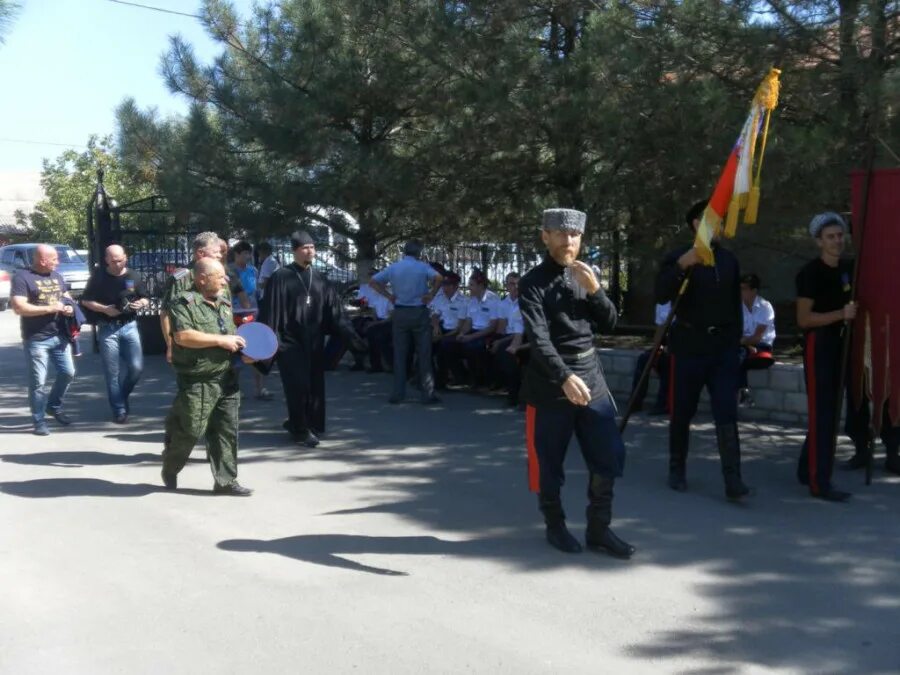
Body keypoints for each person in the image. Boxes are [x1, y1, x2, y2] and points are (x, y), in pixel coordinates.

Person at [519, 208, 634, 559]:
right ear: (545, 236)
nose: (568, 241)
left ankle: (599, 529)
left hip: (592, 380)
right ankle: (555, 526)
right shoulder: (532, 283)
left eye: (575, 235)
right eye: (560, 233)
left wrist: (596, 291)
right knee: (550, 463)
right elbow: (538, 339)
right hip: (552, 384)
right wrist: (564, 377)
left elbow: (611, 324)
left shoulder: (585, 275)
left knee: (608, 457)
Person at [656, 200, 752, 501]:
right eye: (714, 219)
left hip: (722, 350)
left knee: (727, 412)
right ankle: (677, 467)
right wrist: (683, 265)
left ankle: (733, 480)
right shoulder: (678, 257)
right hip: (689, 348)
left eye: (721, 219)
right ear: (696, 224)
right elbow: (661, 294)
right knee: (682, 411)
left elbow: (735, 308)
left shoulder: (728, 260)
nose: (720, 224)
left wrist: (735, 342)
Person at [259, 231, 363, 447]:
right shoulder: (281, 277)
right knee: (297, 386)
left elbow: (336, 313)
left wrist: (354, 339)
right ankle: (300, 430)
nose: (310, 251)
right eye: (305, 247)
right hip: (289, 342)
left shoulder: (320, 279)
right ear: (295, 250)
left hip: (314, 342)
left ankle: (309, 423)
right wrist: (267, 347)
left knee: (314, 385)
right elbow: (271, 312)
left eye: (313, 247)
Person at [162, 258, 253, 495]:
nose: (225, 281)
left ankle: (225, 481)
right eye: (220, 276)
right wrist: (221, 341)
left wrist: (245, 354)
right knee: (191, 430)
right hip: (198, 379)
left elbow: (229, 336)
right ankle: (171, 465)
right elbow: (183, 336)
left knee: (226, 430)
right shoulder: (183, 302)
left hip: (227, 377)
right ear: (202, 279)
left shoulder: (224, 302)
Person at [795, 212, 869, 501]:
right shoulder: (810, 273)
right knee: (823, 413)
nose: (837, 241)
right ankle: (819, 482)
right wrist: (841, 314)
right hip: (820, 345)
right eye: (830, 237)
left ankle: (806, 468)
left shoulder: (849, 268)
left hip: (844, 345)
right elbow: (804, 319)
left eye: (840, 235)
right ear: (818, 241)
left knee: (829, 411)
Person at [10, 244, 77, 436]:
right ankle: (38, 421)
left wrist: (69, 306)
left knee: (68, 373)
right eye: (54, 258)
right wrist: (51, 308)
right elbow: (19, 307)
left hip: (59, 335)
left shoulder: (56, 276)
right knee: (38, 382)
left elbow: (65, 296)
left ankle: (53, 406)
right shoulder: (23, 277)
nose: (58, 262)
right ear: (42, 260)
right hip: (36, 338)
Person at [81, 244, 150, 423]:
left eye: (120, 260)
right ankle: (119, 410)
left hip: (129, 326)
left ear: (125, 258)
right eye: (113, 261)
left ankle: (121, 396)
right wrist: (104, 309)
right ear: (106, 260)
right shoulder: (98, 276)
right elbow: (86, 300)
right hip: (107, 327)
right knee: (113, 372)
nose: (117, 264)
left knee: (136, 368)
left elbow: (145, 296)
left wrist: (141, 303)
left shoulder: (133, 275)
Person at [369, 240, 442, 405]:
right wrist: (431, 293)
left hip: (400, 312)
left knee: (400, 354)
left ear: (404, 252)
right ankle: (427, 393)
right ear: (419, 253)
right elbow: (439, 278)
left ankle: (398, 393)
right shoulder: (422, 267)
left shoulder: (394, 267)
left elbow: (373, 282)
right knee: (424, 353)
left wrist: (388, 296)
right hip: (419, 312)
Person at [160, 231, 224, 364]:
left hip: (219, 346)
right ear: (200, 253)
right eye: (216, 252)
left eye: (220, 252)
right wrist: (170, 345)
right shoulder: (181, 279)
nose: (219, 255)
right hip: (192, 349)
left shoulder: (221, 277)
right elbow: (166, 313)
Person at [229, 240, 272, 401]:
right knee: (236, 354)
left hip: (253, 314)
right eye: (245, 253)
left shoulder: (253, 270)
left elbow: (256, 291)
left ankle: (260, 389)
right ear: (237, 254)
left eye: (249, 253)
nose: (248, 256)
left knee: (256, 351)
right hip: (235, 314)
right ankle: (234, 389)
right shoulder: (230, 271)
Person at [447, 269, 500, 387]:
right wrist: (462, 333)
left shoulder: (493, 300)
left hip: (486, 334)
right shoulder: (472, 300)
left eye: (471, 285)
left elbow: (492, 327)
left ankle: (480, 381)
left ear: (480, 285)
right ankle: (461, 377)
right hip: (473, 332)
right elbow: (469, 322)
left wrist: (470, 337)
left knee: (472, 347)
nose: (469, 288)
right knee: (448, 344)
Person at [738, 273, 776, 405]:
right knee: (733, 355)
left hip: (762, 345)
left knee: (737, 356)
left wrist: (743, 342)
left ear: (754, 291)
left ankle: (743, 392)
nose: (740, 292)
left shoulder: (765, 307)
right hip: (743, 345)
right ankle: (743, 392)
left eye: (744, 289)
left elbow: (757, 337)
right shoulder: (738, 307)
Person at [491, 272, 528, 406]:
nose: (516, 287)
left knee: (505, 350)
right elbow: (501, 327)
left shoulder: (525, 302)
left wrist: (501, 342)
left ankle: (514, 395)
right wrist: (499, 340)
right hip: (510, 335)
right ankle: (505, 387)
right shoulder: (503, 303)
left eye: (518, 284)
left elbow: (522, 331)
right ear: (506, 286)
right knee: (497, 348)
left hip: (524, 336)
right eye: (512, 284)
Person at [628, 301, 672, 415]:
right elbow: (660, 328)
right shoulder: (662, 304)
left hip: (682, 345)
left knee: (668, 364)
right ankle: (635, 401)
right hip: (666, 344)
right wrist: (657, 348)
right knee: (644, 359)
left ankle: (662, 404)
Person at [431, 272, 467, 388]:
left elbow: (460, 327)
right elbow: (435, 315)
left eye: (448, 285)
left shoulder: (463, 301)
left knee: (444, 345)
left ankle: (442, 380)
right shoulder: (441, 298)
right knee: (425, 343)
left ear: (455, 286)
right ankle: (426, 376)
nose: (445, 287)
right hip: (443, 329)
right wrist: (436, 327)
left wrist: (442, 337)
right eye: (444, 284)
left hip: (455, 332)